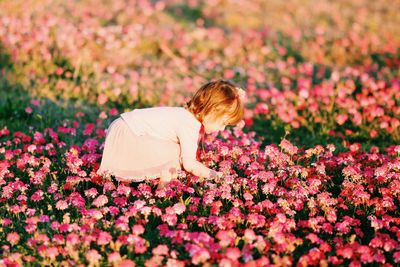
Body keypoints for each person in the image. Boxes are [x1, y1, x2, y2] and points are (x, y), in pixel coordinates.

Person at [96, 79, 245, 187]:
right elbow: (190, 164)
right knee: (175, 156)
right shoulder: (189, 124)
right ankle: (163, 191)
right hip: (128, 134)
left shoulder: (185, 116)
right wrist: (216, 176)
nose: (223, 129)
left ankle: (155, 188)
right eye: (223, 122)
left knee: (173, 152)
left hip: (123, 127)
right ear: (211, 111)